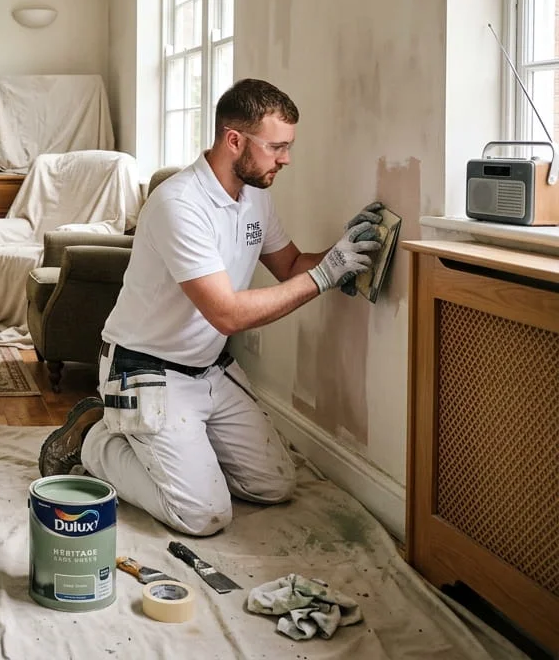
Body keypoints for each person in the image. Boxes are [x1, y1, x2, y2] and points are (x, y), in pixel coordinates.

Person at [38, 79, 382, 536]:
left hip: (208, 368)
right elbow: (227, 314)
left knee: (275, 485)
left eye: (288, 147)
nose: (286, 159)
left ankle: (173, 446)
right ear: (234, 139)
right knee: (203, 515)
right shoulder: (180, 204)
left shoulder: (256, 196)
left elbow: (291, 266)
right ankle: (94, 438)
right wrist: (324, 277)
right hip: (145, 369)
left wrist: (342, 252)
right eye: (276, 147)